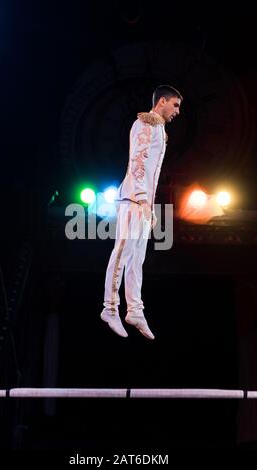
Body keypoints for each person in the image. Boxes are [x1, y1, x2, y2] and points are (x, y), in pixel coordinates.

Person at [101, 85, 182, 339]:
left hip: (142, 202)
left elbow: (151, 174)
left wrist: (151, 205)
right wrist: (143, 200)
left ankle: (134, 309)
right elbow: (137, 163)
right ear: (161, 102)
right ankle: (110, 308)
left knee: (137, 260)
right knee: (123, 252)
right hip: (132, 200)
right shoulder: (145, 124)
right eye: (175, 105)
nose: (177, 111)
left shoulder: (159, 128)